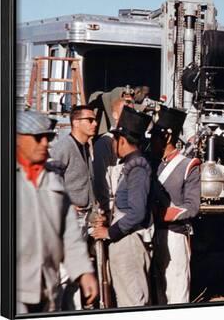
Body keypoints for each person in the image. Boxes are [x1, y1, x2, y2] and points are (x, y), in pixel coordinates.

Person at [16, 110, 98, 314]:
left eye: (49, 137)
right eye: (38, 138)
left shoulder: (52, 180)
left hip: (46, 287)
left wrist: (83, 271)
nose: (45, 143)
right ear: (18, 139)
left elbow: (69, 234)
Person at [91, 107, 153, 307]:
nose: (113, 144)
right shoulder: (132, 164)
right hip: (125, 240)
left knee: (133, 302)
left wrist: (110, 232)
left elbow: (137, 212)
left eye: (116, 140)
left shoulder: (138, 168)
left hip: (129, 241)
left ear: (123, 141)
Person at [150, 106, 201, 304]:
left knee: (177, 290)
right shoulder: (155, 164)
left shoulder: (188, 165)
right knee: (160, 290)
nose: (152, 141)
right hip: (155, 233)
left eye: (155, 136)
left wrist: (162, 214)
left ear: (168, 137)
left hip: (175, 233)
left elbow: (192, 206)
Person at [49, 105, 98, 309]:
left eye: (95, 120)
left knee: (78, 270)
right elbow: (51, 177)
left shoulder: (85, 147)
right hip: (70, 218)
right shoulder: (64, 147)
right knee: (64, 271)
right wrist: (65, 204)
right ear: (76, 122)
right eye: (90, 120)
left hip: (84, 218)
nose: (95, 124)